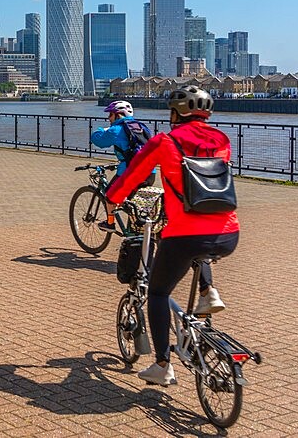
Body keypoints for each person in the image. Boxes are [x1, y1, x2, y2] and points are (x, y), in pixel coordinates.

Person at [106, 86, 239, 387]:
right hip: (228, 232)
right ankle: (209, 293)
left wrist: (113, 198)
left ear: (175, 113)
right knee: (197, 251)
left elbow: (135, 175)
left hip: (184, 235)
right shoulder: (222, 140)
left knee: (158, 293)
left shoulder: (165, 141)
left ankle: (162, 364)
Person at [90, 100, 156, 232]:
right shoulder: (141, 126)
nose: (109, 118)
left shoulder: (116, 129)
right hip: (150, 172)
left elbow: (97, 140)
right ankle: (137, 229)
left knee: (110, 196)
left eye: (110, 115)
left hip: (130, 172)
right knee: (135, 204)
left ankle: (110, 224)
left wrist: (103, 129)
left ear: (118, 114)